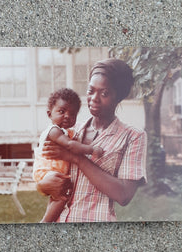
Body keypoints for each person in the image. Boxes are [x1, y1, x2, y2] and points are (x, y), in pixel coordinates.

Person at [37, 58, 147, 222]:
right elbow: (48, 167)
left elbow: (124, 195)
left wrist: (76, 158)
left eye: (104, 93)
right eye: (90, 91)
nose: (94, 98)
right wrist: (41, 185)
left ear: (119, 97)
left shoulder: (132, 137)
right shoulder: (70, 132)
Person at [33, 88, 103, 222]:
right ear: (49, 114)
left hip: (53, 171)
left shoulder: (66, 131)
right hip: (47, 171)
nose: (67, 116)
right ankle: (45, 223)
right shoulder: (54, 131)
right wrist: (91, 149)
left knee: (58, 195)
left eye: (72, 114)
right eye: (61, 111)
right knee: (63, 195)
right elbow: (70, 146)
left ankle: (47, 221)